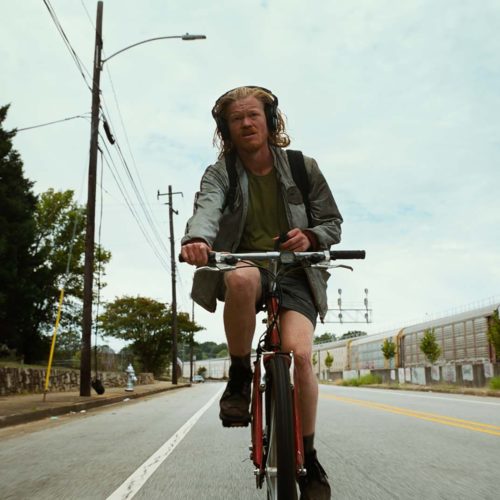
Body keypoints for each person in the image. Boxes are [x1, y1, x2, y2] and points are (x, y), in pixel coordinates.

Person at [180, 86, 342, 500]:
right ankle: (239, 374)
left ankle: (309, 457)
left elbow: (332, 222)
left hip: (297, 273)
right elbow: (207, 209)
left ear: (270, 122)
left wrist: (310, 236)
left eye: (253, 115)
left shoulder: (303, 167)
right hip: (249, 264)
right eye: (237, 119)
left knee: (300, 356)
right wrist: (197, 239)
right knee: (239, 278)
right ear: (227, 130)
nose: (246, 123)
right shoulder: (221, 172)